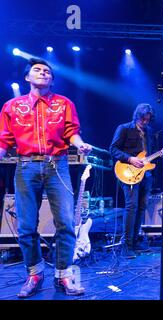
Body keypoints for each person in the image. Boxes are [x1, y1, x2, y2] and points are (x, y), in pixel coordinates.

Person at [0, 58, 92, 298]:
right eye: (37, 70)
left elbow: (72, 132)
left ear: (52, 79)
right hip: (26, 166)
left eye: (47, 71)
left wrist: (80, 145)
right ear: (27, 78)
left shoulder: (63, 104)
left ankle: (63, 275)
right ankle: (35, 274)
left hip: (56, 166)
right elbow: (4, 139)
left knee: (66, 223)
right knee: (26, 226)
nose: (43, 73)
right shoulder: (12, 106)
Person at [110, 103, 155, 259]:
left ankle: (135, 242)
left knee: (141, 207)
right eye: (143, 119)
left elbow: (147, 155)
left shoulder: (149, 132)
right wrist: (130, 159)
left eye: (148, 119)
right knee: (131, 206)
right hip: (127, 171)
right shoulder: (124, 128)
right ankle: (126, 245)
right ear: (137, 116)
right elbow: (113, 149)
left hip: (145, 175)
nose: (145, 122)